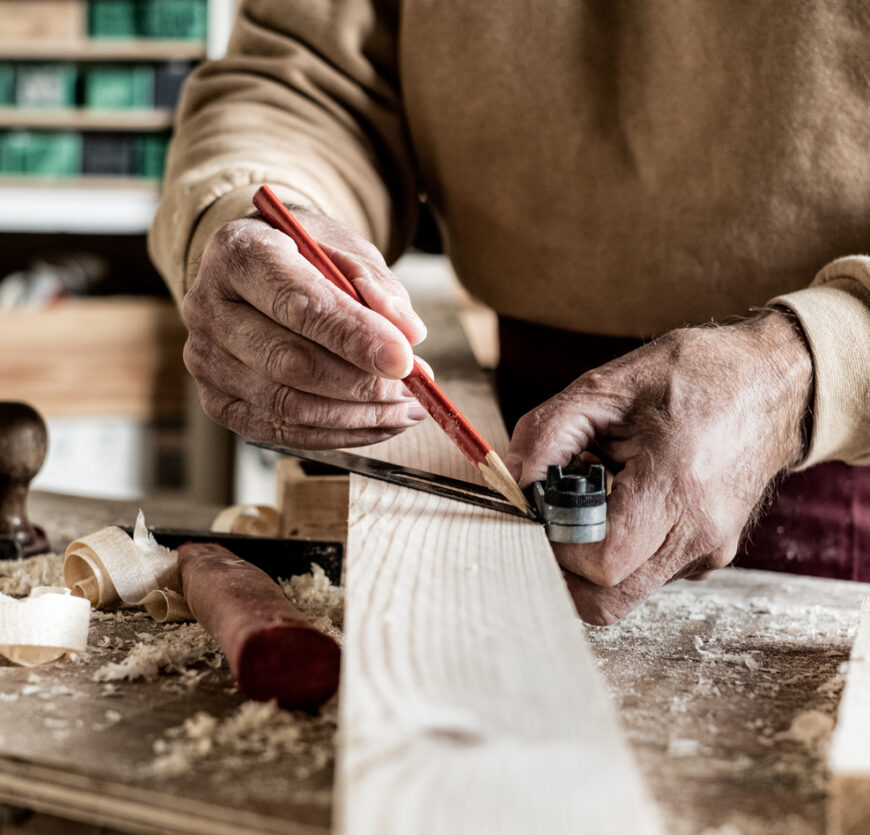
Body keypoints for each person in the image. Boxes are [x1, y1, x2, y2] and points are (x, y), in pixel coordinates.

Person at [149, 1, 870, 624]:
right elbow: (303, 79)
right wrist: (261, 215)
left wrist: (819, 365)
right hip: (521, 408)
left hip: (843, 443)